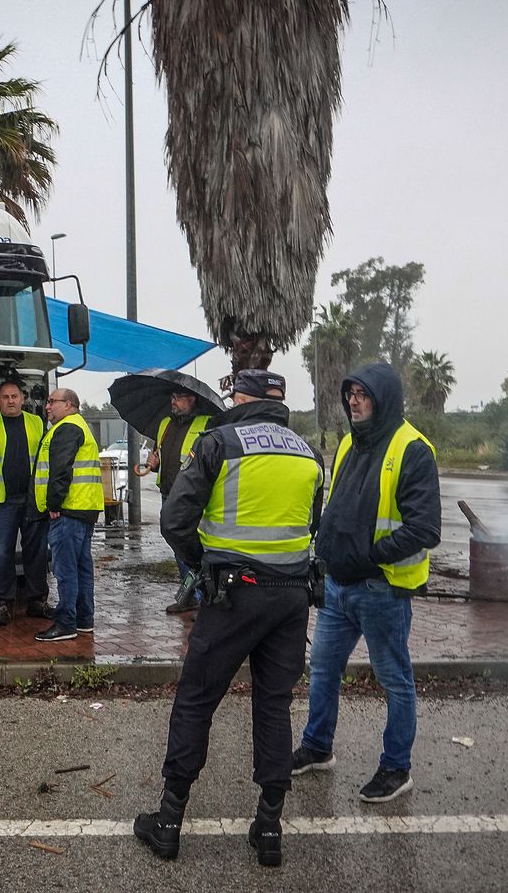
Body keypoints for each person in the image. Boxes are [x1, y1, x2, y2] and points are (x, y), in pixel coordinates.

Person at [134, 370, 322, 867]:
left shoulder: (220, 442)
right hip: (290, 598)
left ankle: (169, 824)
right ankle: (269, 828)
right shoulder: (308, 453)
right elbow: (311, 525)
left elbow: (174, 521)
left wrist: (202, 565)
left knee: (196, 700)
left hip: (234, 593)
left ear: (241, 398)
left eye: (231, 393)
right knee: (274, 706)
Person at [290, 362, 442, 804]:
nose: (354, 400)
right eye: (350, 393)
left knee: (394, 679)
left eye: (363, 393)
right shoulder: (347, 445)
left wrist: (368, 556)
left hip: (382, 588)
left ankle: (397, 768)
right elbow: (337, 508)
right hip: (339, 587)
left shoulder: (412, 449)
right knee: (322, 668)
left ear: (385, 398)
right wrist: (325, 551)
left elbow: (425, 529)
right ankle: (318, 748)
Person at [0, 379, 52, 627]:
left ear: (23, 398)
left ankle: (37, 601)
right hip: (1, 503)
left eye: (14, 396)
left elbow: (48, 459)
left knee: (37, 554)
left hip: (33, 501)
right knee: (2, 554)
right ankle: (2, 603)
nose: (11, 401)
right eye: (5, 397)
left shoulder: (37, 423)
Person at [31, 388, 103, 642]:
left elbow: (60, 469)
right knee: (82, 567)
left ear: (69, 404)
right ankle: (84, 620)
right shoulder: (79, 426)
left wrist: (53, 504)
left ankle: (66, 623)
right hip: (84, 508)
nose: (47, 406)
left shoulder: (67, 428)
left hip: (68, 510)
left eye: (52, 402)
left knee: (65, 569)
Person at [143, 386, 211, 613]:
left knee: (193, 546)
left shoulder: (207, 424)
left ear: (191, 399)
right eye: (171, 397)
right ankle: (190, 595)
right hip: (168, 492)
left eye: (178, 398)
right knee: (177, 545)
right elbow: (161, 458)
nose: (173, 402)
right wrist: (154, 464)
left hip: (192, 496)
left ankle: (201, 597)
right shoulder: (165, 424)